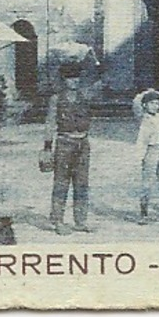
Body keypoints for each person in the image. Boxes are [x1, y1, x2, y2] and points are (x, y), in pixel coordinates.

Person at [43, 63, 93, 233]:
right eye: (70, 78)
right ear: (64, 79)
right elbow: (50, 122)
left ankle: (80, 221)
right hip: (64, 143)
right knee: (61, 182)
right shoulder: (56, 99)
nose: (74, 81)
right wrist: (47, 147)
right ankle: (57, 221)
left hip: (83, 143)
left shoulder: (85, 95)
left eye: (77, 77)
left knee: (82, 183)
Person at [132, 87, 159, 225]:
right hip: (150, 151)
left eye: (157, 104)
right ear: (145, 105)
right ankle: (143, 213)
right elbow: (136, 102)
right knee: (147, 183)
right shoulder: (142, 117)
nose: (155, 106)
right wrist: (145, 93)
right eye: (151, 103)